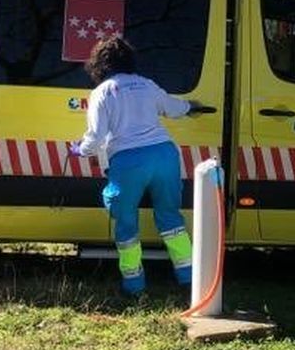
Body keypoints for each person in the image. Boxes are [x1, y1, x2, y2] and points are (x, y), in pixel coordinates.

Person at [69, 37, 204, 296]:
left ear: (99, 64)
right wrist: (191, 107)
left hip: (128, 161)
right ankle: (189, 278)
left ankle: (134, 286)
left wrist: (80, 150)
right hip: (164, 155)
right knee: (170, 218)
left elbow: (96, 137)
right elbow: (174, 108)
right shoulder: (146, 85)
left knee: (126, 223)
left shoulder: (102, 92)